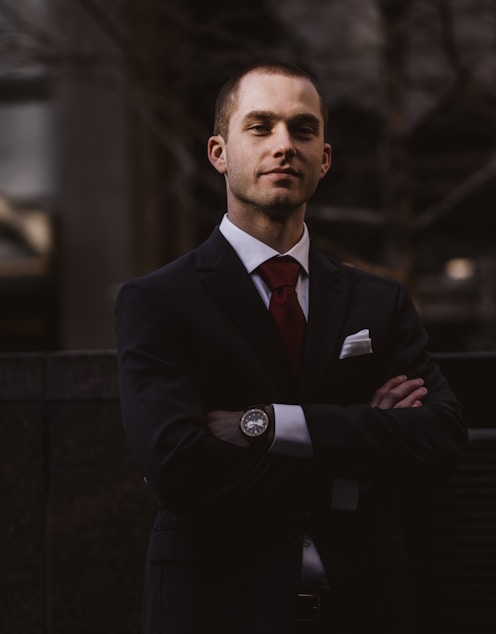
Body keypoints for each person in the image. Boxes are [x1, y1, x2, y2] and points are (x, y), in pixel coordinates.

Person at [115, 61, 466, 634]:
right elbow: (178, 467)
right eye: (260, 126)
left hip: (367, 608)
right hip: (216, 610)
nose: (285, 145)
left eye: (303, 130)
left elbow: (441, 438)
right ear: (218, 153)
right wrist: (355, 465)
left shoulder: (378, 302)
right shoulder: (158, 302)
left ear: (324, 159)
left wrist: (267, 426)